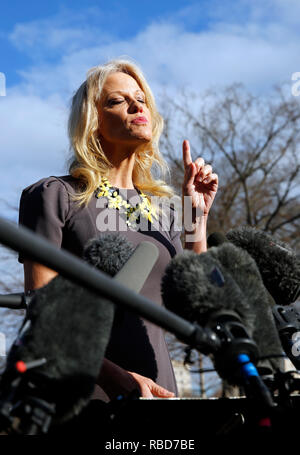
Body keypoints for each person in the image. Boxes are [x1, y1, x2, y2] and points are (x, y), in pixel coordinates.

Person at [18, 59, 218, 402]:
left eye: (141, 99)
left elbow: (200, 307)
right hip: (88, 393)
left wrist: (195, 217)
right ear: (92, 122)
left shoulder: (166, 211)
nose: (137, 105)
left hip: (159, 394)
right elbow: (43, 313)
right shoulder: (55, 196)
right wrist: (115, 377)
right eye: (117, 100)